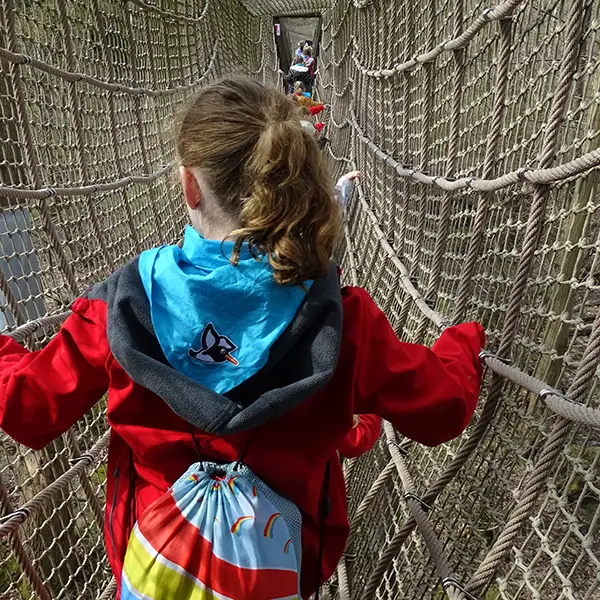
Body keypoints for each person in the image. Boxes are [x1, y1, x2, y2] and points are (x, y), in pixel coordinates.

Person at [0, 77, 485, 599]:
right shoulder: (343, 320)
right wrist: (463, 343)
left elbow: (26, 406)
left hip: (152, 565)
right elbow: (442, 411)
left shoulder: (121, 304)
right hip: (279, 573)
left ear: (189, 185)